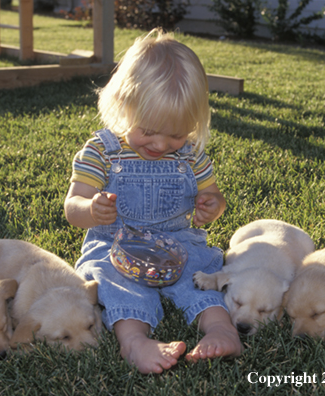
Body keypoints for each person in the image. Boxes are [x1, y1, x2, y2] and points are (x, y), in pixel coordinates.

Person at [64, 28, 242, 374]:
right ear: (123, 104)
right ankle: (134, 342)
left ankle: (222, 329)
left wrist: (211, 204)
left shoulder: (191, 155)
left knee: (202, 273)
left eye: (176, 133)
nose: (161, 144)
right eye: (148, 130)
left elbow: (213, 196)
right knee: (114, 282)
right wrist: (91, 210)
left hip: (177, 241)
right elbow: (73, 207)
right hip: (115, 244)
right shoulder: (101, 151)